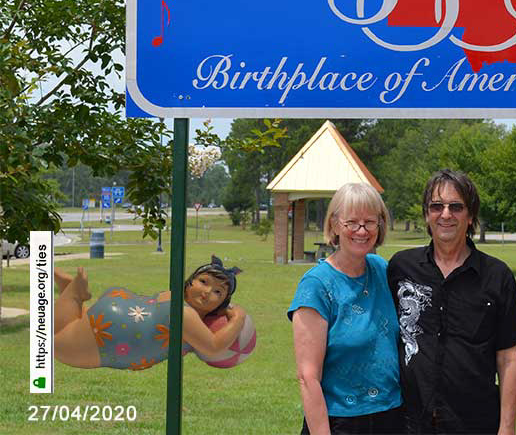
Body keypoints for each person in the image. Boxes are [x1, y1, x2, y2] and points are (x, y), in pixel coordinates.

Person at [387, 170, 516, 435]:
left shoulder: (497, 276)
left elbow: (509, 357)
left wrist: (507, 427)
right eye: (436, 206)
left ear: (470, 215)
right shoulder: (400, 268)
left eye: (456, 207)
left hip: (476, 423)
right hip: (409, 423)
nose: (446, 214)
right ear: (426, 215)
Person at [289, 182, 403, 435]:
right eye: (351, 222)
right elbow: (308, 378)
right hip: (340, 421)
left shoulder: (382, 270)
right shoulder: (316, 286)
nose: (361, 230)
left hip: (391, 416)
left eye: (370, 222)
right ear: (334, 225)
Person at [53, 255, 247, 370]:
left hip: (116, 316)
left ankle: (71, 293)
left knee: (69, 327)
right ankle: (73, 292)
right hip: (108, 335)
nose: (207, 292)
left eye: (218, 292)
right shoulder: (186, 315)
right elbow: (213, 347)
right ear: (190, 282)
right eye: (203, 282)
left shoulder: (172, 296)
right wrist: (238, 318)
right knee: (58, 345)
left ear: (222, 302)